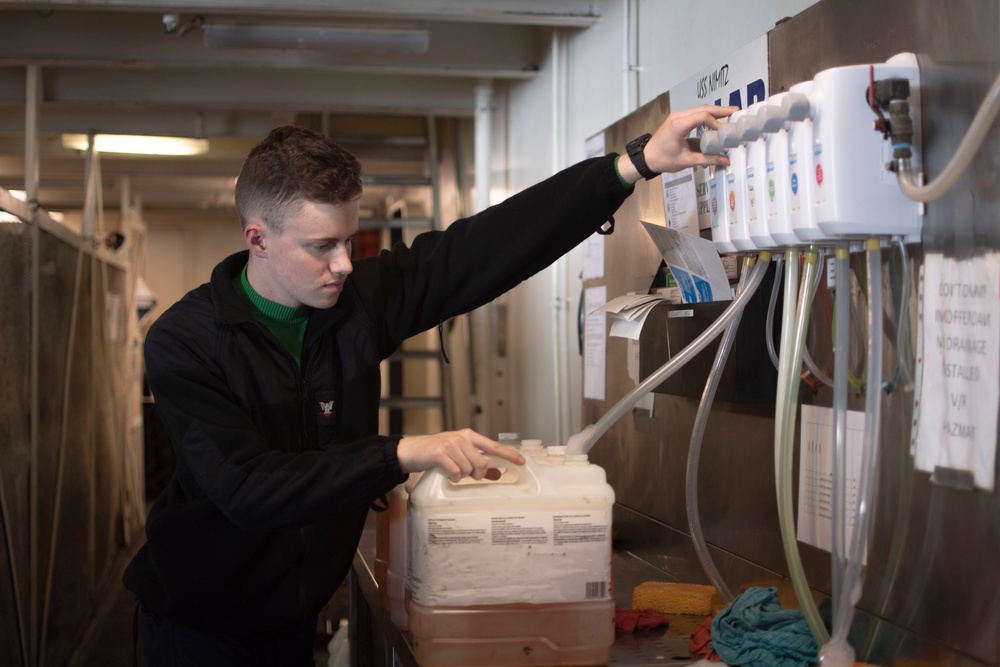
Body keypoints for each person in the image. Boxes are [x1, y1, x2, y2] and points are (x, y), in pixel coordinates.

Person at [124, 103, 735, 665]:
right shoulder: (185, 342)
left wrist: (634, 164)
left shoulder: (354, 302)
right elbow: (249, 488)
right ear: (257, 238)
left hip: (293, 615)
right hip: (198, 627)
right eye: (322, 246)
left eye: (349, 240)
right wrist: (398, 453)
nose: (343, 263)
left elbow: (481, 249)